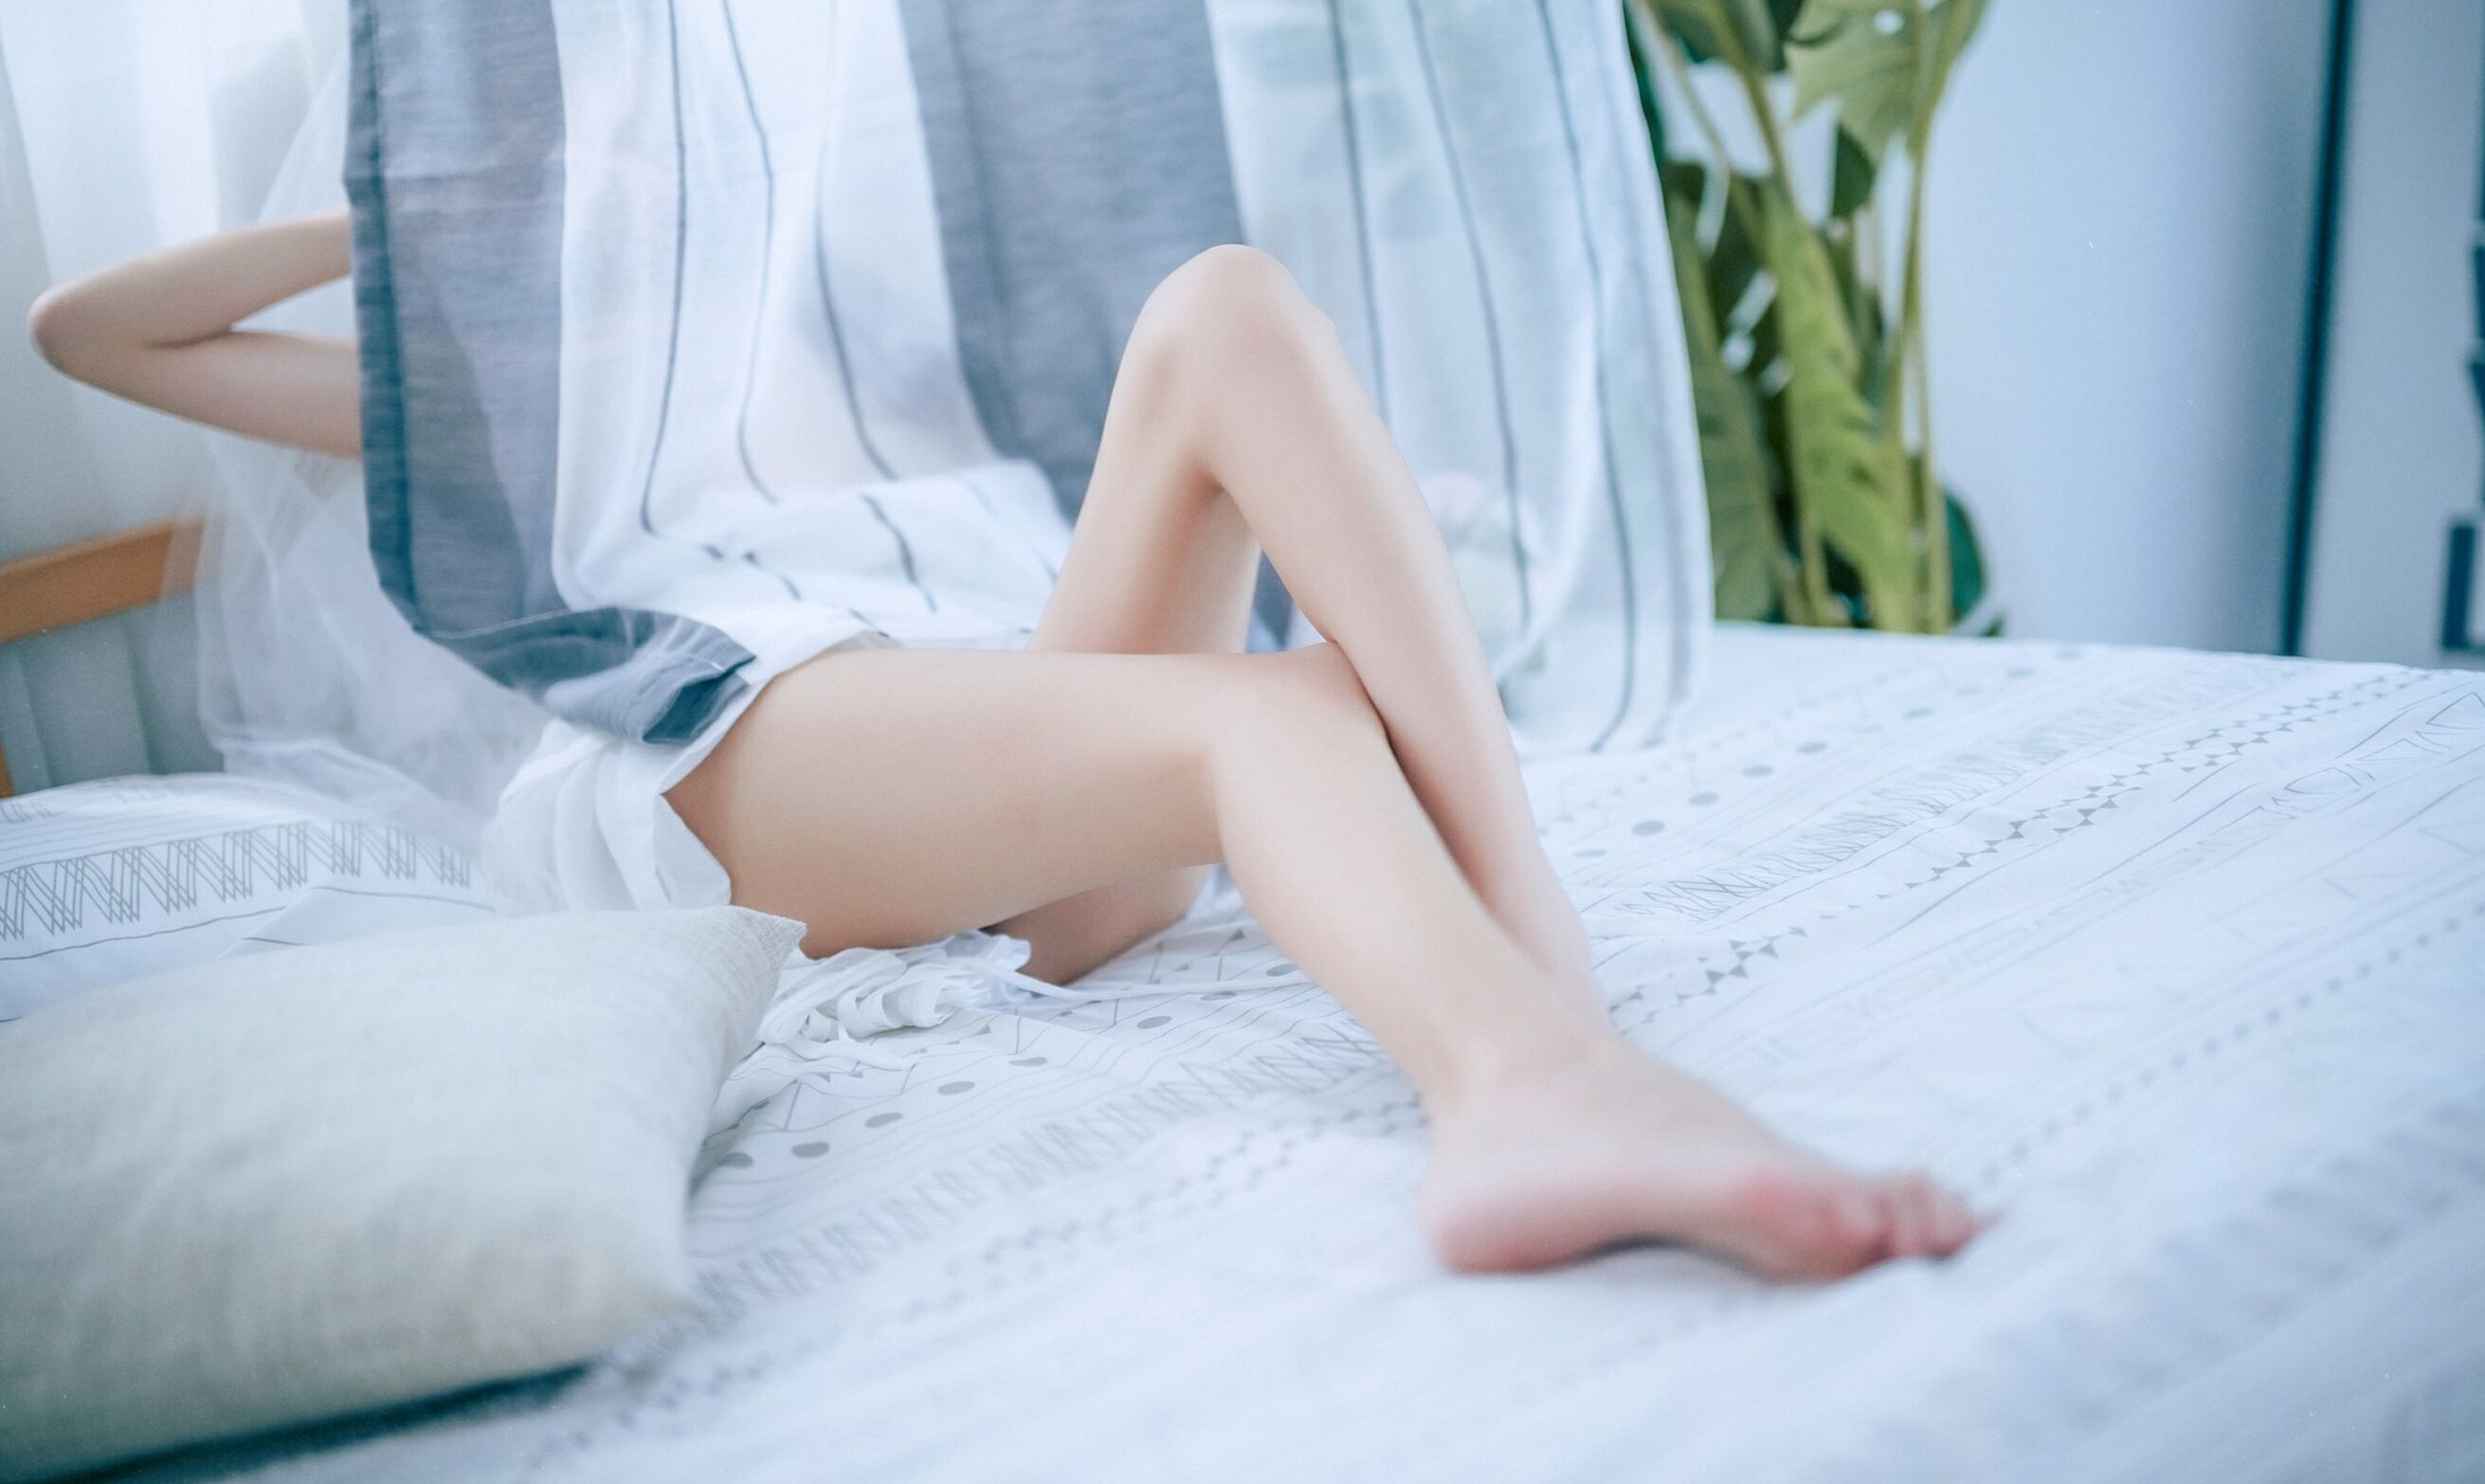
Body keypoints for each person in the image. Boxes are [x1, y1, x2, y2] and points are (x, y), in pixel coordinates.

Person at [28, 212, 1979, 1278]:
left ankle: (1529, 954)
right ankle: (1528, 1072)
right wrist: (404, 213)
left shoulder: (817, 302)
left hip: (1001, 758)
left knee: (1225, 311)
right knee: (1261, 715)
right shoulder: (489, 388)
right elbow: (90, 334)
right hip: (735, 741)